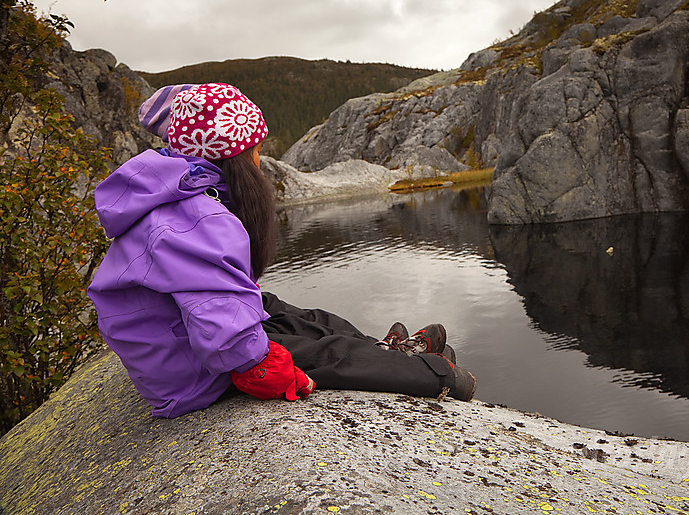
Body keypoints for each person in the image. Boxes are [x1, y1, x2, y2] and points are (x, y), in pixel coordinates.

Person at [87, 83, 476, 419]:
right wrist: (270, 372)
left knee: (295, 313)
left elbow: (218, 297)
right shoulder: (198, 220)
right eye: (255, 149)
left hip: (178, 341)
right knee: (326, 352)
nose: (259, 160)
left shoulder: (181, 193)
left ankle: (387, 353)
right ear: (235, 156)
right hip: (192, 373)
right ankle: (435, 374)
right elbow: (229, 342)